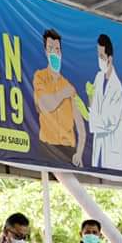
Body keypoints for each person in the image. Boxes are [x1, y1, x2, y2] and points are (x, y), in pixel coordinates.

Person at [33, 29, 86, 167]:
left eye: (57, 49)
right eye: (50, 49)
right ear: (45, 52)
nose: (54, 53)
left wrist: (79, 152)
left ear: (61, 52)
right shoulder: (40, 77)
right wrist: (63, 93)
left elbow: (81, 127)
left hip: (68, 151)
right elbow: (46, 105)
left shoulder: (69, 87)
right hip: (47, 148)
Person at [89, 34, 122, 171]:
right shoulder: (98, 78)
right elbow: (93, 106)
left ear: (109, 59)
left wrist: (89, 116)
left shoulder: (117, 89)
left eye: (101, 56)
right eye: (98, 56)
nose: (99, 60)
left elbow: (109, 122)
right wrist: (89, 98)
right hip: (98, 149)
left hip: (112, 154)